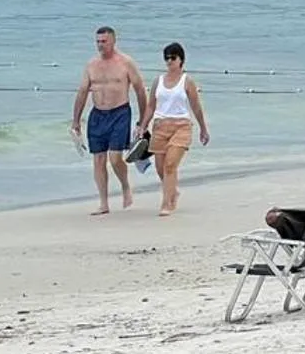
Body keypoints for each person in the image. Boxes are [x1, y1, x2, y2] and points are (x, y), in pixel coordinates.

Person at [70, 26, 152, 216]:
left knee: (115, 157)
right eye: (98, 41)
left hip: (120, 113)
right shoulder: (91, 65)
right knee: (98, 160)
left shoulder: (125, 62)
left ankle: (125, 186)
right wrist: (76, 121)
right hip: (97, 115)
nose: (100, 45)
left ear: (113, 41)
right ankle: (104, 203)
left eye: (104, 41)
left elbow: (140, 90)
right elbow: (82, 92)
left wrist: (143, 122)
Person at [141, 41, 211, 217]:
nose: (169, 62)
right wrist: (142, 125)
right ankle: (172, 191)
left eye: (173, 58)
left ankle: (167, 203)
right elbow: (151, 105)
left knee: (170, 164)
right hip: (159, 126)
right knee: (160, 168)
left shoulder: (187, 81)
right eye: (166, 59)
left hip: (181, 126)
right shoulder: (159, 80)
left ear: (181, 60)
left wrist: (203, 128)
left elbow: (196, 106)